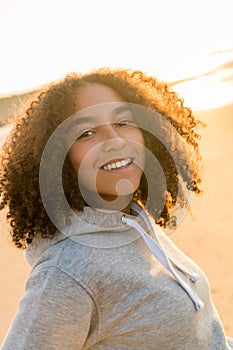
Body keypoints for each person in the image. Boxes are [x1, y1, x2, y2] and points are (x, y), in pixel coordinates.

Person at [0, 68, 232, 350]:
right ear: (56, 158)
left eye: (123, 122)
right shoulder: (68, 272)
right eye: (86, 133)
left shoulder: (132, 220)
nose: (114, 140)